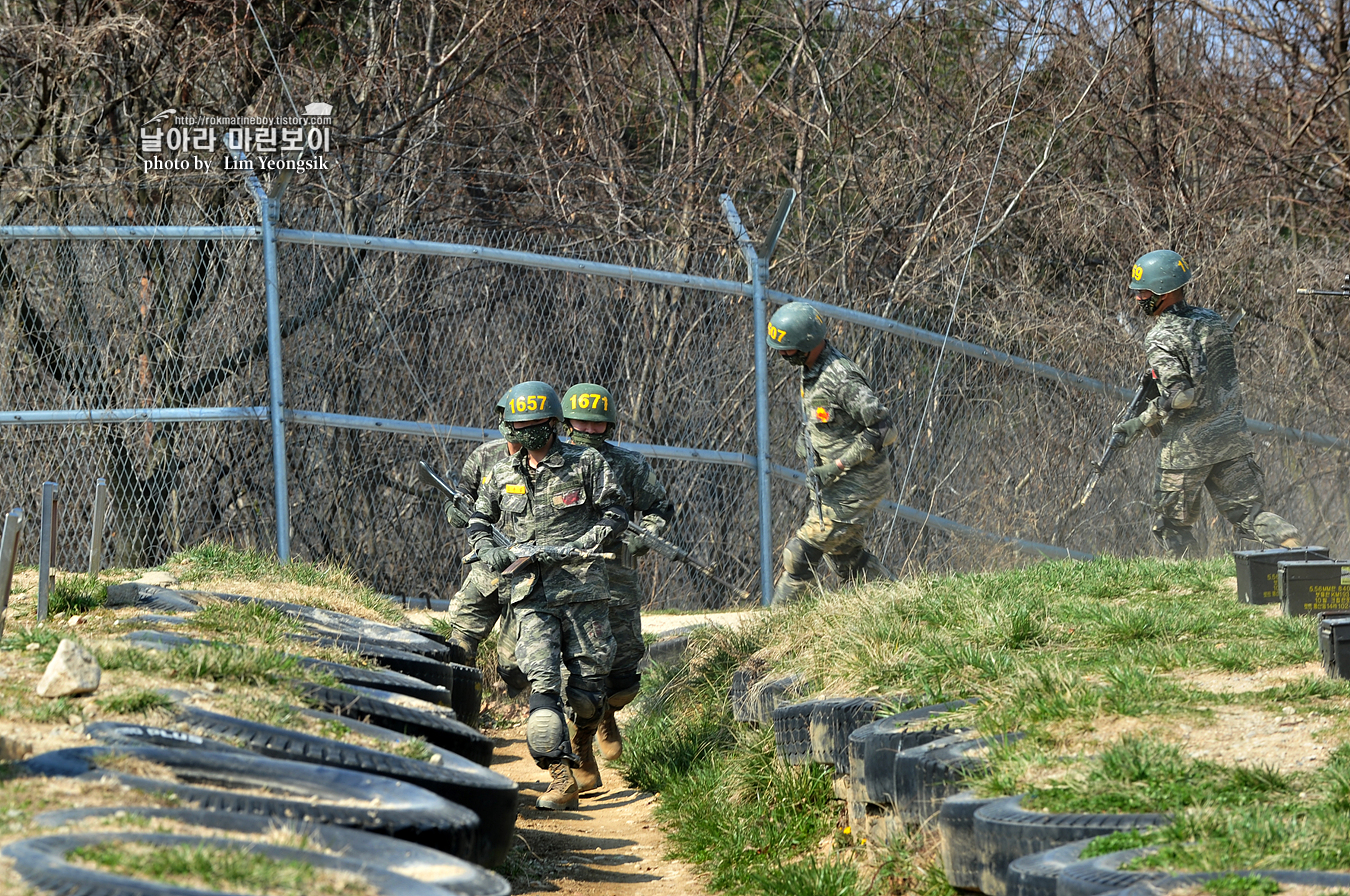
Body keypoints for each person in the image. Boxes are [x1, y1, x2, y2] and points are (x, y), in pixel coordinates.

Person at [468, 380, 628, 811]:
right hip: (530, 594)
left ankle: (585, 738)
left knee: (588, 691)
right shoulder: (501, 472)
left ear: (554, 423)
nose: (525, 434)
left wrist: (584, 541)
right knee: (542, 685)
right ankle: (561, 778)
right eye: (517, 426)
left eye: (535, 425)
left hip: (582, 589)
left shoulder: (586, 462)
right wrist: (490, 550)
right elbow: (479, 521)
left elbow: (616, 513)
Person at [1113, 249, 1302, 558]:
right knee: (1251, 517)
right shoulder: (1213, 320)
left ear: (1164, 291)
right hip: (1231, 439)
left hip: (1188, 449)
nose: (1138, 298)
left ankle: (1191, 588)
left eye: (1144, 291)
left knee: (1172, 526)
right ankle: (1303, 556)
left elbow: (1182, 397)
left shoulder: (1159, 335)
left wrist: (1140, 421)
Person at [561, 382, 674, 792]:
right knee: (582, 677)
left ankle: (608, 713)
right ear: (564, 421)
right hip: (571, 581)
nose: (590, 432)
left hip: (619, 576)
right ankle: (581, 746)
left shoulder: (630, 464)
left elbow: (660, 509)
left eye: (598, 425)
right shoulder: (554, 464)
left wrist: (643, 537)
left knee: (625, 678)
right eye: (581, 423)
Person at [766, 301, 897, 603]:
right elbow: (826, 418)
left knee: (800, 555)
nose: (782, 355)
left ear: (807, 344)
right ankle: (899, 603)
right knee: (847, 560)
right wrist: (805, 439)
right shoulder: (810, 370)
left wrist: (838, 464)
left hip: (858, 481)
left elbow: (884, 429)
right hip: (834, 487)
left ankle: (777, 625)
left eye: (787, 348)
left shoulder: (840, 377)